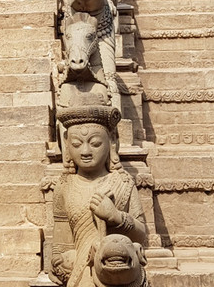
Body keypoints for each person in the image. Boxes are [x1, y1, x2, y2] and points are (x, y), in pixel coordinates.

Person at [51, 105, 147, 287]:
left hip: (119, 271)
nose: (85, 151)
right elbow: (61, 241)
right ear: (66, 144)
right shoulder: (64, 186)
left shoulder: (123, 183)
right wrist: (57, 263)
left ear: (111, 142)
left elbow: (141, 236)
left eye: (95, 143)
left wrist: (116, 217)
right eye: (77, 144)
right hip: (81, 271)